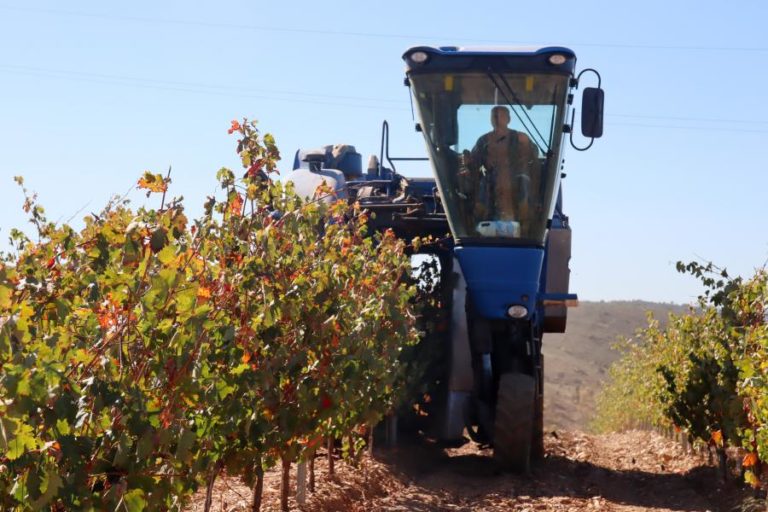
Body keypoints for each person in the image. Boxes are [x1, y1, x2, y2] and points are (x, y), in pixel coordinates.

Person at [464, 106, 540, 222]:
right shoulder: (483, 140)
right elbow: (474, 162)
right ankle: (477, 220)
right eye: (494, 116)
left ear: (508, 119)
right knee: (482, 186)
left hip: (516, 177)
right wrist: (468, 162)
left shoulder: (520, 138)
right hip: (491, 180)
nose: (497, 119)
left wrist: (523, 156)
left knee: (523, 183)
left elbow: (534, 155)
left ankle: (525, 222)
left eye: (501, 115)